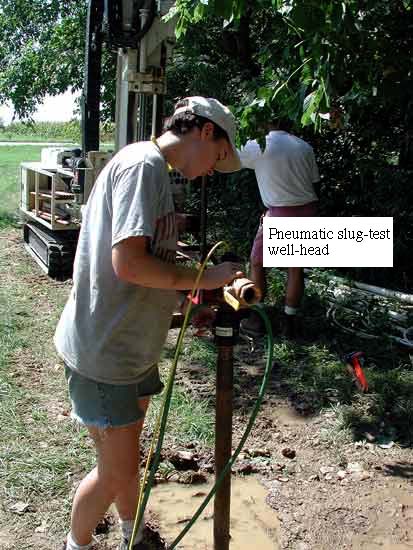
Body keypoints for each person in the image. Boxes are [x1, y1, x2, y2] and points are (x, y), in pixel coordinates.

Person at [54, 96, 242, 550]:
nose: (215, 168)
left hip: (132, 346)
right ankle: (75, 545)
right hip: (107, 352)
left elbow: (152, 259)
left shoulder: (154, 171)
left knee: (125, 461)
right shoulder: (144, 166)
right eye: (218, 156)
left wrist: (186, 301)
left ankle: (131, 533)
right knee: (114, 470)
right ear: (205, 132)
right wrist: (203, 275)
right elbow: (129, 265)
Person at [238, 120, 319, 338]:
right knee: (295, 267)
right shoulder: (303, 146)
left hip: (279, 213)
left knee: (257, 263)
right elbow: (313, 180)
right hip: (307, 210)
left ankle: (256, 319)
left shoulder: (258, 145)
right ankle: (289, 322)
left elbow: (228, 159)